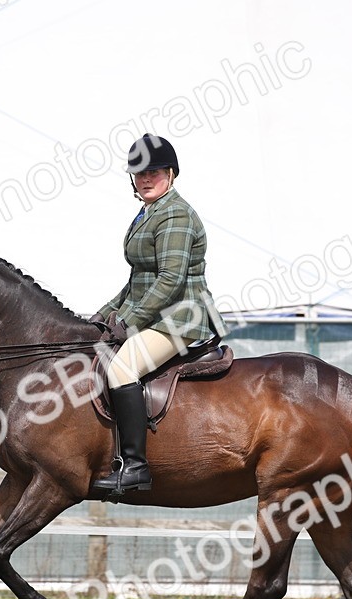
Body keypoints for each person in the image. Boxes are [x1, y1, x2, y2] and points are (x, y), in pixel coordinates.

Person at [90, 133, 229, 495]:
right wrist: (100, 317)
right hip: (157, 315)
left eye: (154, 171)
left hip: (182, 318)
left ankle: (135, 466)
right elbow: (138, 280)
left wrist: (129, 322)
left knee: (121, 368)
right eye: (139, 173)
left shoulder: (176, 214)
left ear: (171, 173)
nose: (146, 178)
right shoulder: (147, 213)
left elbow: (170, 279)